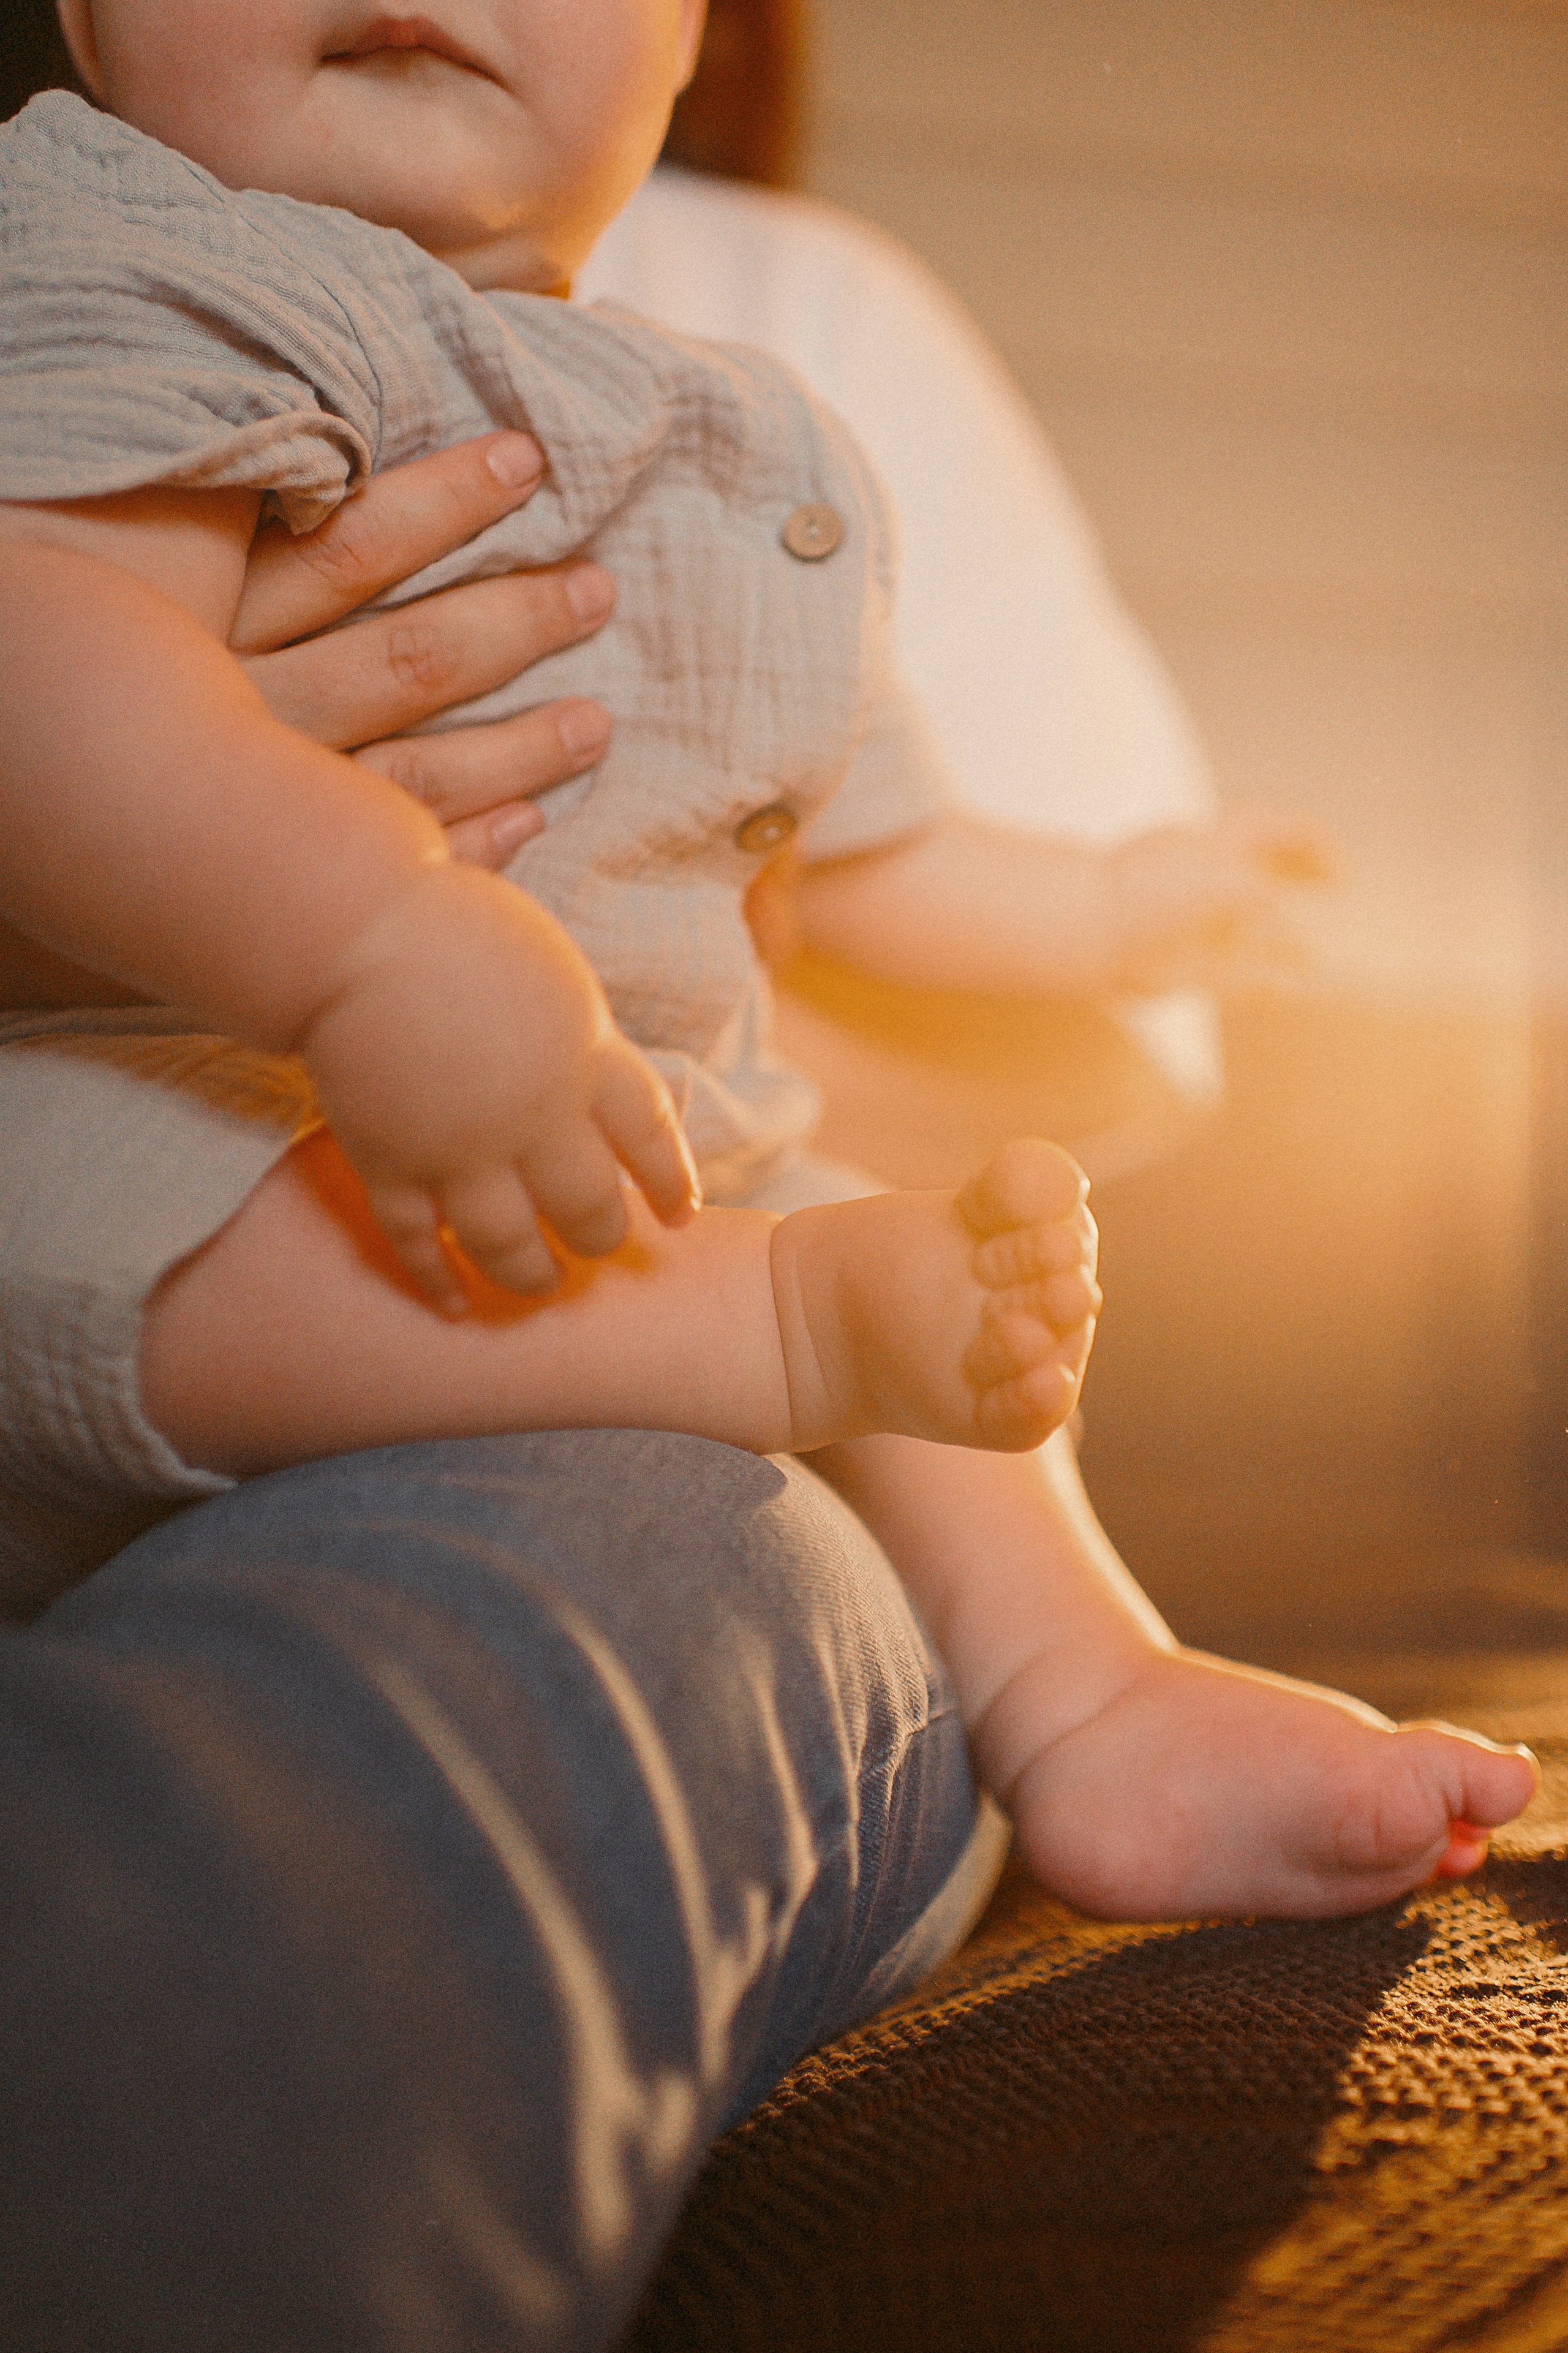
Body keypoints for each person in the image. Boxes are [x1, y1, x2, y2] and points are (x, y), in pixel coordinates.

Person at [0, 4, 1539, 2345]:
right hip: (162, 1124)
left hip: (624, 1151)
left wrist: (1124, 901)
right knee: (278, 1199)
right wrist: (373, 927)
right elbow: (46, 664)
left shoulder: (753, 421)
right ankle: (771, 1328)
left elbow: (882, 851)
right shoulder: (129, 248)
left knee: (841, 1224)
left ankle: (1086, 1692)